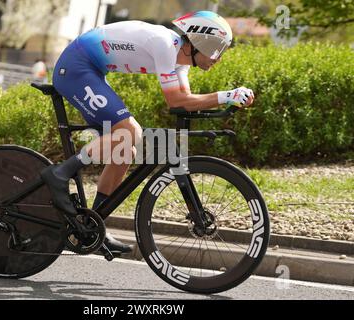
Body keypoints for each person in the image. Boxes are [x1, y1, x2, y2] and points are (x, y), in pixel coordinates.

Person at [42, 11, 255, 254]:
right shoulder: (165, 45)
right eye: (217, 50)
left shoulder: (180, 63)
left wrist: (227, 104)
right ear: (200, 42)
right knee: (130, 131)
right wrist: (227, 95)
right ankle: (60, 173)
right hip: (76, 67)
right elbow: (176, 99)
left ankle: (92, 226)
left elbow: (181, 104)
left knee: (125, 151)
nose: (218, 59)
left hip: (90, 70)